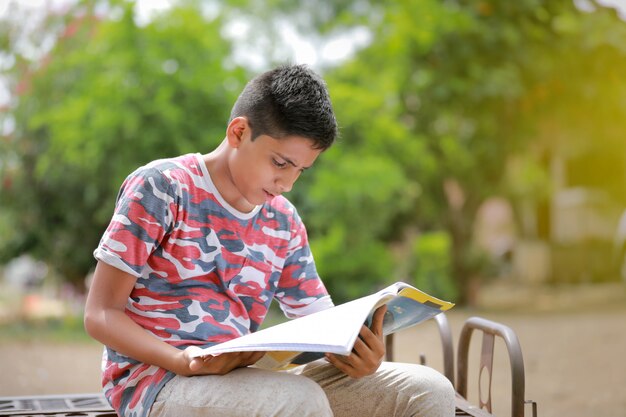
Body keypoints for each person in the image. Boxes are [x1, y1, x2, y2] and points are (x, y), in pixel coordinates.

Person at [84, 64, 455, 417]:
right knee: (297, 402)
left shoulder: (284, 220)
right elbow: (101, 313)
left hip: (247, 380)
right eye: (280, 163)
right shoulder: (162, 187)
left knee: (428, 389)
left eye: (301, 170)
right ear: (239, 132)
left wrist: (357, 353)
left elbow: (320, 322)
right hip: (158, 381)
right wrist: (182, 361)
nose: (288, 184)